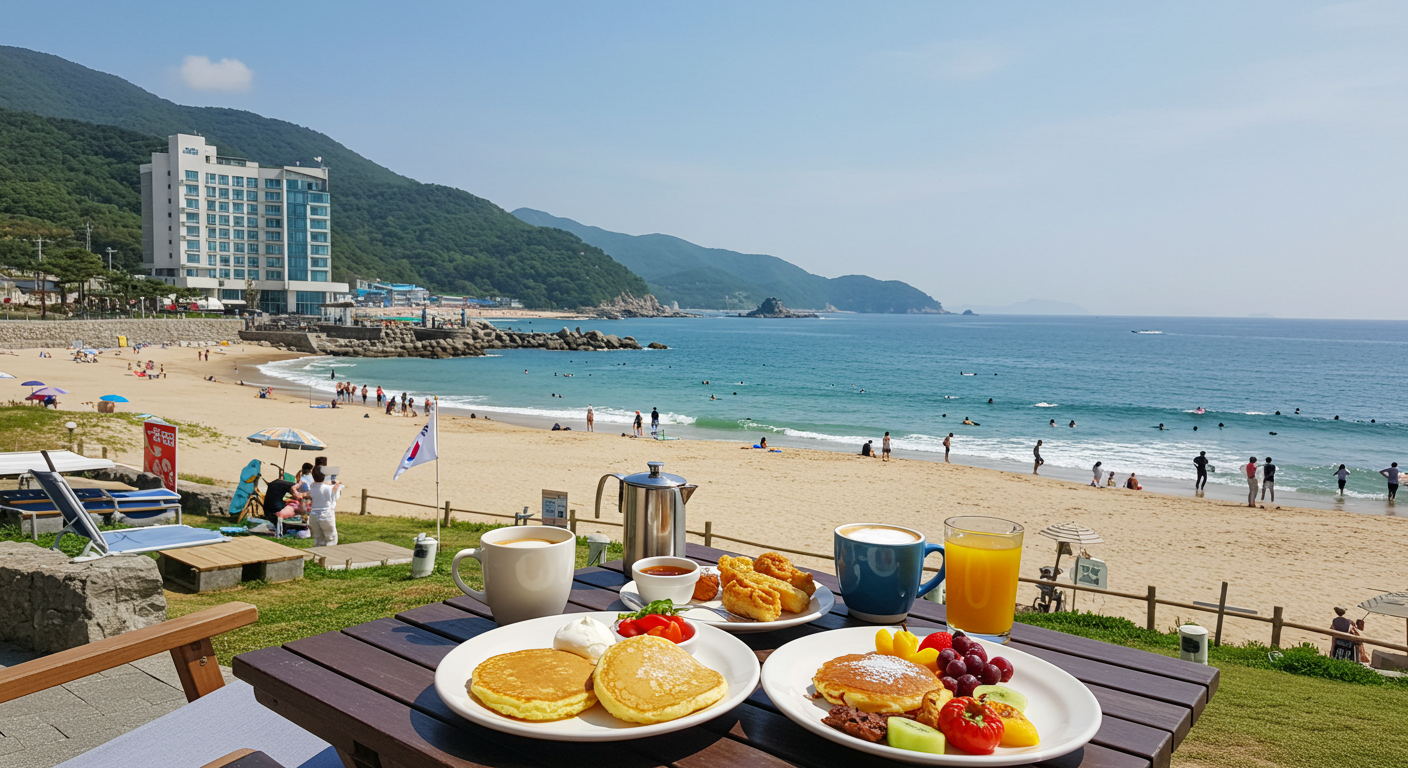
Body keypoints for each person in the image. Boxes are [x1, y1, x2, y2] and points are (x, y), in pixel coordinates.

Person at [305, 467, 343, 547]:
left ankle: (317, 557)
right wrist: (337, 483)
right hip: (326, 516)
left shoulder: (312, 486)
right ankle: (328, 558)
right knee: (331, 539)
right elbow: (336, 491)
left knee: (318, 540)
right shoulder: (329, 488)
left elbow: (320, 484)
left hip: (313, 516)